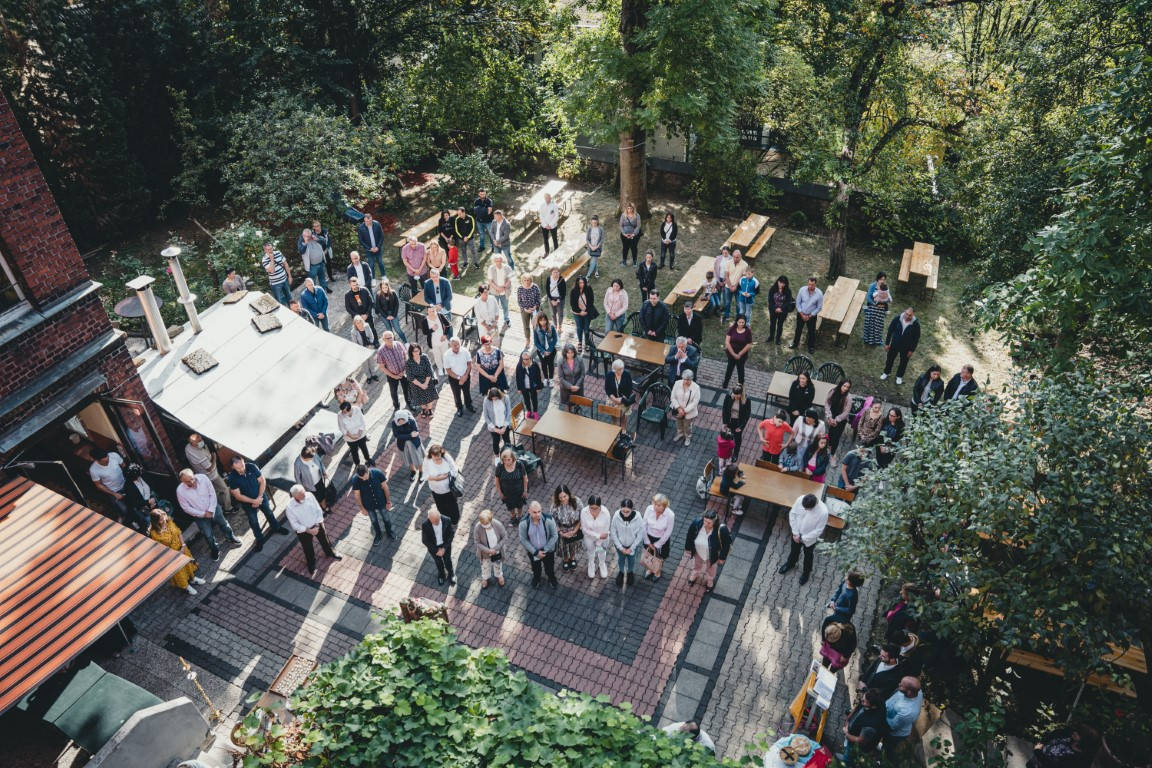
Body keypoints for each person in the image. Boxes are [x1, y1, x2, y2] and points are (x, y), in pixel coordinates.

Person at [226, 456, 290, 551]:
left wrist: (259, 498)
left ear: (243, 461)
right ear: (232, 467)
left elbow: (262, 481)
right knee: (253, 521)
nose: (242, 469)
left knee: (269, 512)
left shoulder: (252, 467)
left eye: (242, 466)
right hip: (247, 503)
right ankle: (259, 538)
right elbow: (238, 496)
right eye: (238, 468)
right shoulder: (232, 478)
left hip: (260, 496)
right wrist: (253, 501)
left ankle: (276, 527)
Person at [176, 469, 240, 562]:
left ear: (194, 474)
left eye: (192, 479)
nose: (191, 482)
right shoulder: (180, 491)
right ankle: (214, 549)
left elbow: (212, 493)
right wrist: (203, 514)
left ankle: (230, 537)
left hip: (213, 507)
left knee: (224, 524)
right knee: (208, 534)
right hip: (199, 515)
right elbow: (186, 508)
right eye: (187, 481)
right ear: (182, 481)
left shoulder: (203, 478)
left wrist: (210, 510)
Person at [148, 507, 207, 595]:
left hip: (182, 548)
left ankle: (193, 578)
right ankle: (186, 586)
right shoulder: (154, 533)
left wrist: (183, 546)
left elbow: (178, 532)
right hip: (171, 555)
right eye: (161, 519)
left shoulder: (169, 521)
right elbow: (160, 548)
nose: (164, 520)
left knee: (188, 565)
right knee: (179, 572)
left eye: (164, 516)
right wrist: (175, 553)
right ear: (155, 522)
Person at [778, 493, 829, 585]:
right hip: (796, 534)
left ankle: (806, 572)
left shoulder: (823, 512)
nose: (805, 510)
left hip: (809, 539)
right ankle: (791, 563)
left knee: (808, 556)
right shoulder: (801, 498)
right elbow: (792, 514)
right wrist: (795, 532)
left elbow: (818, 530)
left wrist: (802, 538)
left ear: (814, 506)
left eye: (807, 509)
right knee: (794, 550)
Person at [185, 434, 233, 516]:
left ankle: (219, 507)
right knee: (224, 489)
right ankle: (227, 508)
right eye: (198, 441)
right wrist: (214, 457)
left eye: (201, 439)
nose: (201, 441)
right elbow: (210, 469)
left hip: (202, 475)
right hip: (212, 476)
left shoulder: (188, 447)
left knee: (213, 492)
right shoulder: (199, 456)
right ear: (192, 442)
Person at [684, 510, 731, 590]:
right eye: (705, 521)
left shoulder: (722, 529)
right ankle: (695, 574)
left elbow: (727, 544)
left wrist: (722, 557)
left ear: (715, 522)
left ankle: (710, 580)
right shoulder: (697, 523)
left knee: (711, 568)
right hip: (698, 550)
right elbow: (690, 535)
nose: (705, 524)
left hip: (712, 554)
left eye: (709, 523)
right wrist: (688, 547)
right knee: (696, 564)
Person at [838, 688, 887, 765]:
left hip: (858, 745)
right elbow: (856, 709)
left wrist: (846, 734)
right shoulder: (872, 698)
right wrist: (847, 721)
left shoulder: (871, 725)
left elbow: (860, 741)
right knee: (847, 748)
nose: (862, 700)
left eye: (864, 701)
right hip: (853, 733)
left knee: (849, 755)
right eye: (863, 698)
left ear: (873, 706)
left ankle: (846, 762)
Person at [520, 500, 560, 589]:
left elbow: (554, 536)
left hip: (548, 551)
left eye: (539, 511)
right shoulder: (524, 523)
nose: (538, 514)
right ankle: (537, 577)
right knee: (535, 567)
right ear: (529, 511)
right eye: (534, 512)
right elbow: (523, 539)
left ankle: (551, 577)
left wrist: (544, 550)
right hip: (533, 552)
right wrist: (535, 552)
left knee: (549, 567)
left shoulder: (549, 520)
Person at [352, 463, 394, 544]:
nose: (364, 479)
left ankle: (389, 531)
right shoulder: (355, 479)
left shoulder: (378, 473)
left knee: (386, 518)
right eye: (361, 478)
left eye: (365, 477)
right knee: (374, 521)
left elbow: (385, 487)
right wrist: (362, 508)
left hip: (381, 501)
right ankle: (378, 534)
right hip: (368, 504)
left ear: (368, 471)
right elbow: (357, 496)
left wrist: (388, 502)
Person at [89, 447, 132, 525]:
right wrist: (114, 494)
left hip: (126, 484)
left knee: (134, 503)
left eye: (108, 458)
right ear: (97, 460)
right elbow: (99, 485)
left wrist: (131, 480)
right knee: (123, 509)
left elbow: (124, 466)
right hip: (113, 490)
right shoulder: (93, 469)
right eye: (104, 461)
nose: (108, 461)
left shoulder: (114, 455)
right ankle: (122, 517)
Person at [1028, 723, 1101, 768]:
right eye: (1077, 730)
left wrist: (1037, 751)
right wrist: (1043, 742)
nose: (1075, 732)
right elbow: (1054, 734)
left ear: (1085, 741)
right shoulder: (1069, 735)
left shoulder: (1080, 760)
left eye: (1078, 733)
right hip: (1034, 764)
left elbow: (1052, 766)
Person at [884, 677, 924, 758]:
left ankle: (886, 759)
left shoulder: (907, 712)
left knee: (889, 747)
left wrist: (878, 713)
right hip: (894, 718)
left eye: (901, 685)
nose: (899, 684)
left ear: (908, 692)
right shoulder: (917, 692)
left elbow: (890, 726)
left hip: (894, 734)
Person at [422, 444, 461, 525]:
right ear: (431, 454)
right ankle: (446, 520)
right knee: (441, 507)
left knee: (452, 505)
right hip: (436, 490)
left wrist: (446, 476)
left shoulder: (446, 457)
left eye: (438, 455)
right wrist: (437, 478)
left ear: (441, 452)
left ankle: (455, 520)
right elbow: (425, 476)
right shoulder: (427, 460)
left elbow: (455, 470)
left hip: (449, 489)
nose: (437, 457)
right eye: (434, 456)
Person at [611, 498, 645, 587]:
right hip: (620, 544)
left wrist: (632, 548)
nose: (625, 514)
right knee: (621, 559)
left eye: (628, 512)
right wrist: (620, 547)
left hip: (632, 545)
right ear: (621, 508)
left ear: (632, 509)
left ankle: (630, 572)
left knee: (631, 560)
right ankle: (621, 572)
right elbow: (613, 532)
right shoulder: (616, 516)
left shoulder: (638, 518)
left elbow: (640, 534)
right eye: (623, 511)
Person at [881, 307, 921, 384]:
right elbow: (890, 331)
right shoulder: (897, 319)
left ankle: (899, 376)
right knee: (890, 359)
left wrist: (912, 350)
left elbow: (916, 338)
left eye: (910, 315)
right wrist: (887, 343)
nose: (907, 316)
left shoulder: (916, 324)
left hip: (906, 347)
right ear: (904, 312)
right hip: (894, 344)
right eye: (906, 314)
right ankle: (886, 372)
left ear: (913, 314)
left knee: (903, 363)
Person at [641, 493, 675, 580]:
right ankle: (650, 568)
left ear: (664, 505)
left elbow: (668, 532)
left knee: (660, 557)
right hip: (649, 537)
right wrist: (647, 541)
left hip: (661, 539)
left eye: (659, 505)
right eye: (655, 504)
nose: (655, 507)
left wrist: (657, 544)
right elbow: (643, 525)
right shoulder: (649, 509)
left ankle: (657, 570)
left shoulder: (670, 515)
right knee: (649, 555)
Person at [121, 463, 164, 531]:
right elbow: (133, 502)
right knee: (154, 524)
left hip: (154, 502)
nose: (139, 477)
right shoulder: (127, 486)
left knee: (163, 518)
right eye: (136, 477)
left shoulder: (143, 475)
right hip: (144, 509)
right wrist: (147, 502)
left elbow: (152, 486)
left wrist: (152, 499)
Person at [421, 508, 456, 586]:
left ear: (440, 515)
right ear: (429, 519)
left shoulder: (447, 520)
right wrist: (436, 550)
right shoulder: (425, 525)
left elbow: (451, 534)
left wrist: (444, 548)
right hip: (434, 548)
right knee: (438, 562)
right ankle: (441, 574)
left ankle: (451, 573)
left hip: (445, 546)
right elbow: (425, 540)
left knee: (447, 561)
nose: (436, 523)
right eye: (434, 522)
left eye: (437, 521)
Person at [551, 485, 584, 572]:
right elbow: (552, 521)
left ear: (568, 494)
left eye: (565, 496)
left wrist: (574, 531)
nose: (563, 499)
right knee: (564, 547)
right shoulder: (555, 506)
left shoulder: (577, 501)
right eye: (560, 497)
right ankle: (565, 559)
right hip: (562, 530)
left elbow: (582, 517)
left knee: (573, 546)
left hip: (575, 529)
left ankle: (572, 558)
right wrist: (561, 533)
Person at [473, 510, 508, 588]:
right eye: (483, 523)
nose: (485, 525)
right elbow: (477, 542)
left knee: (498, 564)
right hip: (484, 553)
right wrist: (488, 550)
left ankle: (499, 575)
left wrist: (496, 548)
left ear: (491, 520)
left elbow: (505, 537)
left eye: (487, 523)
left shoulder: (498, 524)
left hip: (497, 552)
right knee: (485, 566)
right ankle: (485, 577)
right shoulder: (478, 527)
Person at [377, 331, 411, 410]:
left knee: (407, 388)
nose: (390, 339)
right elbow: (382, 367)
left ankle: (409, 403)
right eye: (387, 338)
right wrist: (393, 376)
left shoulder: (398, 344)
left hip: (403, 372)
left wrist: (404, 370)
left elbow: (406, 356)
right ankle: (397, 407)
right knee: (394, 392)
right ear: (383, 339)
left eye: (391, 337)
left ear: (393, 337)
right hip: (392, 375)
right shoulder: (381, 351)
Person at [493, 446, 529, 524]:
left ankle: (520, 516)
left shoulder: (519, 464)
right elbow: (497, 480)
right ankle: (513, 517)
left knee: (519, 505)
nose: (506, 462)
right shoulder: (500, 466)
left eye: (508, 459)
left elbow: (525, 477)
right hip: (507, 493)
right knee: (510, 506)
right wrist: (500, 493)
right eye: (504, 460)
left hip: (519, 491)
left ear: (512, 458)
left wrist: (525, 490)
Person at [443, 338, 476, 418]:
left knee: (467, 391)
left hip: (465, 375)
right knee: (456, 394)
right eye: (455, 345)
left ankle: (468, 404)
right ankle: (459, 407)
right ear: (450, 345)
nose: (457, 346)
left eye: (458, 344)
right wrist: (459, 378)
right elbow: (448, 370)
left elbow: (469, 364)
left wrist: (465, 376)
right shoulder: (446, 355)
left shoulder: (465, 351)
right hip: (454, 378)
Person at [790, 277, 824, 353]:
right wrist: (802, 314)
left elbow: (819, 307)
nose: (810, 286)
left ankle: (811, 347)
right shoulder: (802, 290)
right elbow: (798, 302)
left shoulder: (819, 294)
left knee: (811, 332)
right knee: (798, 329)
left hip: (811, 316)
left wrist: (810, 316)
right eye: (809, 284)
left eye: (812, 285)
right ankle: (795, 343)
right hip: (801, 314)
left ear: (815, 284)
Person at [293, 446, 331, 513]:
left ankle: (324, 506)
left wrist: (324, 471)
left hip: (319, 480)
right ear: (305, 457)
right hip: (309, 486)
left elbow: (320, 463)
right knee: (315, 498)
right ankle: (318, 509)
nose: (312, 459)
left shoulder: (314, 455)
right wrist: (301, 488)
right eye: (310, 459)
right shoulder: (298, 464)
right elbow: (297, 477)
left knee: (323, 494)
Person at [580, 495, 611, 578]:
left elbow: (605, 532)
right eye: (591, 508)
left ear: (600, 506)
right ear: (588, 506)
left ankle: (602, 564)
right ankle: (591, 564)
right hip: (589, 537)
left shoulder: (606, 513)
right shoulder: (584, 512)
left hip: (603, 538)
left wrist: (599, 543)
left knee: (601, 551)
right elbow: (584, 529)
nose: (594, 510)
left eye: (596, 508)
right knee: (591, 552)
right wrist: (598, 535)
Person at [669, 369, 702, 447]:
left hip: (689, 412)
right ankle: (680, 434)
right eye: (684, 379)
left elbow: (695, 402)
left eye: (687, 379)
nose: (685, 381)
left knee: (687, 426)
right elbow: (673, 396)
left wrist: (684, 411)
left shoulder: (696, 388)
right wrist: (678, 408)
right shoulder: (677, 383)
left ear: (691, 379)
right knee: (679, 423)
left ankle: (688, 437)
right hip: (678, 410)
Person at [405, 344, 438, 418]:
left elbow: (429, 371)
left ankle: (429, 410)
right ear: (411, 352)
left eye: (418, 350)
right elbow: (410, 377)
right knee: (420, 399)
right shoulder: (408, 362)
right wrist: (421, 385)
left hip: (427, 380)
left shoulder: (424, 357)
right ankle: (423, 409)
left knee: (430, 397)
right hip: (416, 383)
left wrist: (426, 383)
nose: (417, 353)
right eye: (414, 351)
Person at [344, 276, 379, 342]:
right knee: (361, 331)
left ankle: (376, 342)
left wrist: (367, 314)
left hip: (367, 314)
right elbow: (348, 308)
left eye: (357, 284)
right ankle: (365, 343)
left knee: (372, 328)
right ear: (350, 285)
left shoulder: (364, 290)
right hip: (357, 318)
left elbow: (370, 302)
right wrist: (358, 316)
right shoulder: (347, 295)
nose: (355, 286)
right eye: (353, 285)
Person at [420, 305, 451, 377]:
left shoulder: (440, 316)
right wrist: (432, 330)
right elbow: (424, 332)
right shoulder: (425, 320)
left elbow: (448, 325)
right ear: (427, 312)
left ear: (435, 310)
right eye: (430, 311)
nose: (432, 313)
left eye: (433, 311)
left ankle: (446, 367)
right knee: (437, 356)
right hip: (433, 342)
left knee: (445, 354)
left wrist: (445, 335)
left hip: (443, 340)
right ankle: (440, 368)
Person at [391, 409, 423, 479]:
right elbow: (396, 435)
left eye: (402, 419)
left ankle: (421, 471)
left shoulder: (411, 420)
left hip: (414, 443)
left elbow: (415, 433)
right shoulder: (394, 422)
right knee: (408, 459)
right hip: (402, 445)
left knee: (419, 458)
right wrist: (410, 435)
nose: (401, 422)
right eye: (399, 420)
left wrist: (404, 436)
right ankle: (413, 471)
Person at [723, 314, 754, 387]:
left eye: (743, 322)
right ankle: (726, 382)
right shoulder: (732, 328)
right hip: (731, 353)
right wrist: (733, 354)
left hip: (742, 355)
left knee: (740, 370)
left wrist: (739, 354)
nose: (741, 324)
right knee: (729, 368)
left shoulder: (748, 330)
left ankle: (740, 385)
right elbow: (727, 342)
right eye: (739, 322)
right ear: (736, 321)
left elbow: (749, 344)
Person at [863, 272, 893, 346]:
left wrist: (883, 302)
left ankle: (877, 340)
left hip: (881, 308)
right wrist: (874, 304)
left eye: (884, 279)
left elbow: (888, 299)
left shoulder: (885, 287)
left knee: (878, 325)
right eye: (881, 279)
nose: (882, 281)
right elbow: (868, 297)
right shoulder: (872, 286)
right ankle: (867, 339)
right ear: (877, 279)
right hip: (872, 306)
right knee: (869, 322)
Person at [338, 400, 371, 465]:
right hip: (350, 438)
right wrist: (351, 436)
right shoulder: (340, 415)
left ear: (350, 410)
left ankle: (368, 459)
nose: (343, 413)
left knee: (364, 447)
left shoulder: (357, 409)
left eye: (345, 412)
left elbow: (363, 421)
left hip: (361, 435)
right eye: (342, 411)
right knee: (354, 451)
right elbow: (341, 428)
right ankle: (357, 463)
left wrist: (359, 433)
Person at [825, 379, 854, 455]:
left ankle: (832, 453)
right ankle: (827, 449)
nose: (845, 388)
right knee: (830, 434)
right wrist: (829, 416)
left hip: (841, 419)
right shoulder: (833, 391)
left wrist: (836, 420)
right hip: (831, 416)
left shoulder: (848, 397)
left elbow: (846, 412)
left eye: (847, 387)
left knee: (836, 437)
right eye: (844, 386)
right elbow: (827, 402)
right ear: (840, 385)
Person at [569, 276, 598, 351]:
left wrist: (586, 311)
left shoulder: (588, 288)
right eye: (580, 283)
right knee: (579, 327)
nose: (582, 284)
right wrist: (580, 312)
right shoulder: (573, 291)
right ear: (577, 283)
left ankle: (587, 343)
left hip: (586, 312)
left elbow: (591, 301)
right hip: (577, 312)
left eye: (583, 282)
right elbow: (572, 304)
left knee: (586, 328)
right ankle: (580, 342)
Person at [722, 385, 752, 455]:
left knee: (737, 439)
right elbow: (725, 409)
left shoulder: (747, 399)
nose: (735, 398)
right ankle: (728, 450)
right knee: (728, 436)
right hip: (730, 420)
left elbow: (747, 414)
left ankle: (736, 453)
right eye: (734, 396)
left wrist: (741, 427)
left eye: (737, 397)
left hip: (739, 422)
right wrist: (725, 422)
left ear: (741, 395)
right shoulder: (729, 396)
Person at [298, 226, 329, 293]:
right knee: (312, 281)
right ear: (303, 235)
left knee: (322, 278)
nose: (309, 237)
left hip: (321, 263)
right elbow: (301, 251)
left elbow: (324, 241)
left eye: (310, 235)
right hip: (312, 266)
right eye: (307, 236)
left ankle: (324, 291)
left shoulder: (313, 236)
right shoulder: (301, 241)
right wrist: (306, 243)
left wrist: (317, 239)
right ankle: (314, 293)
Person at [375, 279, 407, 343]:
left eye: (386, 287)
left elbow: (396, 304)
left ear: (388, 286)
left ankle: (406, 342)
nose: (385, 289)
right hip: (384, 315)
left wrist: (394, 315)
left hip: (393, 313)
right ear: (381, 288)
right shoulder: (378, 295)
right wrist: (386, 316)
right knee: (389, 331)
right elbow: (379, 307)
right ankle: (394, 343)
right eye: (383, 288)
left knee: (398, 329)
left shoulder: (393, 292)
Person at [260, 242, 292, 306]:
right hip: (276, 284)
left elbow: (285, 264)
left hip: (284, 279)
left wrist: (289, 276)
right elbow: (272, 271)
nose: (271, 250)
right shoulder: (264, 259)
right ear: (265, 250)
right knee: (280, 301)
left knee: (289, 298)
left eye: (271, 248)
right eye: (269, 249)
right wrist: (272, 259)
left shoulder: (278, 253)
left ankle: (292, 310)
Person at [557, 343, 586, 413]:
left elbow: (582, 374)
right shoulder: (561, 361)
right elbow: (561, 378)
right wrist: (570, 386)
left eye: (572, 352)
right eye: (568, 353)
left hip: (578, 387)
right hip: (566, 389)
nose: (570, 354)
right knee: (568, 407)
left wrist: (577, 385)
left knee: (577, 405)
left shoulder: (579, 359)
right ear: (565, 353)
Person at [356, 212, 387, 277]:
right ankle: (373, 278)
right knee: (371, 264)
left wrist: (378, 247)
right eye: (367, 221)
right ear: (364, 220)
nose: (369, 222)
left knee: (380, 262)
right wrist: (369, 248)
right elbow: (361, 240)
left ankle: (384, 276)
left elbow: (381, 236)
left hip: (378, 248)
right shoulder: (361, 228)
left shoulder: (377, 224)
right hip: (369, 250)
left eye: (370, 221)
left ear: (372, 218)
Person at [515, 351, 543, 420]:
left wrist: (539, 387)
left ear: (530, 358)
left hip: (533, 387)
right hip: (524, 387)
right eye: (524, 359)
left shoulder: (534, 365)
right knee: (526, 400)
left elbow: (538, 376)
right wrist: (519, 388)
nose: (526, 361)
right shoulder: (519, 366)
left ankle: (535, 412)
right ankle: (529, 411)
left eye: (527, 359)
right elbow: (517, 377)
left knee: (534, 399)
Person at [605, 359, 635, 425]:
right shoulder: (609, 375)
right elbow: (607, 388)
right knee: (613, 414)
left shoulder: (627, 375)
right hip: (612, 398)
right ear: (615, 369)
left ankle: (623, 429)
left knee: (623, 416)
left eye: (623, 368)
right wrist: (614, 399)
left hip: (624, 398)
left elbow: (629, 389)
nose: (622, 371)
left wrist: (622, 399)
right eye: (619, 369)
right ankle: (615, 425)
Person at [487, 254, 514, 325]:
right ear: (494, 261)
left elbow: (510, 279)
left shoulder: (507, 268)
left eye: (500, 261)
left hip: (504, 291)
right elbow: (490, 281)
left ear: (502, 261)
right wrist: (498, 288)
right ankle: (493, 320)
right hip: (494, 292)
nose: (499, 263)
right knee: (494, 307)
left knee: (505, 306)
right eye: (497, 261)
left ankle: (506, 319)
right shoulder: (491, 268)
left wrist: (504, 288)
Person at [533, 313, 558, 387]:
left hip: (551, 351)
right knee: (543, 365)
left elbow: (555, 339)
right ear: (538, 321)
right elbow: (536, 342)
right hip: (541, 351)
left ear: (546, 320)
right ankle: (546, 378)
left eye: (544, 320)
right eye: (540, 320)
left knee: (551, 364)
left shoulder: (551, 327)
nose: (542, 322)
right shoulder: (536, 329)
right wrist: (543, 351)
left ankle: (551, 379)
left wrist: (549, 350)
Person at [767, 275, 793, 344]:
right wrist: (775, 308)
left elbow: (789, 302)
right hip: (773, 310)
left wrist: (781, 308)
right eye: (781, 282)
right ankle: (771, 336)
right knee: (772, 324)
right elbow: (770, 300)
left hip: (783, 311)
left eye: (784, 283)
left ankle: (778, 339)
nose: (782, 284)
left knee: (780, 325)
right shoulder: (773, 289)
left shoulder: (788, 291)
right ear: (778, 281)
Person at [516, 273, 542, 341]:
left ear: (531, 280)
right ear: (522, 281)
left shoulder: (535, 287)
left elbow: (539, 298)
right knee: (526, 325)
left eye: (528, 280)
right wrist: (525, 309)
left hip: (534, 309)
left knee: (535, 324)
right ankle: (527, 338)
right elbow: (519, 301)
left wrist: (535, 306)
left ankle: (536, 338)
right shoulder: (520, 289)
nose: (526, 282)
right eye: (525, 280)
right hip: (524, 310)